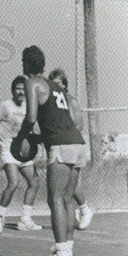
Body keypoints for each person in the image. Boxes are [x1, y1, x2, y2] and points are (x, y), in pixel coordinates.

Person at [12, 46, 86, 256]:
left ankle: (61, 255)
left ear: (26, 64)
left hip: (61, 146)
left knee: (54, 199)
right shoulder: (55, 86)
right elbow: (56, 121)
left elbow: (31, 116)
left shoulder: (32, 82)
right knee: (67, 199)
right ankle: (67, 251)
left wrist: (21, 138)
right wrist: (36, 139)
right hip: (78, 144)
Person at [0, 77, 42, 233]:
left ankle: (25, 219)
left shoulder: (29, 107)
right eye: (17, 88)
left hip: (22, 152)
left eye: (24, 89)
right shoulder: (5, 106)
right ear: (12, 90)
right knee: (14, 182)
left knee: (34, 182)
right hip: (7, 150)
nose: (21, 91)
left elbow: (34, 131)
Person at [48, 68, 93, 231]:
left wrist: (64, 131)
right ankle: (73, 216)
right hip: (67, 144)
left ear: (64, 84)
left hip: (70, 144)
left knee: (60, 193)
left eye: (58, 84)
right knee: (65, 190)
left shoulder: (69, 100)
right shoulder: (53, 102)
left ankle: (84, 208)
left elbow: (79, 124)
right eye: (52, 84)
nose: (55, 87)